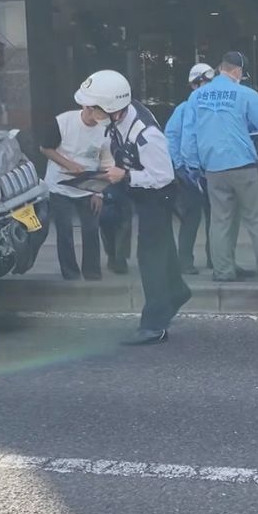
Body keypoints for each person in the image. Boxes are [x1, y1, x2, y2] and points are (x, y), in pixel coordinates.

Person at [77, 69, 189, 346]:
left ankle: (154, 325)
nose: (87, 111)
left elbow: (163, 176)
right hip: (143, 193)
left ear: (111, 107)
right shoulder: (119, 119)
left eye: (92, 107)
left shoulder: (147, 135)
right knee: (162, 251)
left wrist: (125, 176)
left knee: (150, 258)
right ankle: (176, 292)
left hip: (157, 197)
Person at [182, 51, 258, 283]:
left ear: (220, 68)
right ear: (237, 71)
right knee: (256, 219)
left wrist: (192, 164)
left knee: (220, 221)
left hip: (213, 169)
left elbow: (189, 134)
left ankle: (223, 271)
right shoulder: (245, 93)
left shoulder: (197, 97)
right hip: (242, 165)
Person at [40, 105, 113, 281]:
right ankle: (70, 273)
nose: (94, 117)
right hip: (60, 184)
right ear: (85, 107)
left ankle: (92, 273)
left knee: (91, 229)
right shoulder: (63, 121)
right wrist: (68, 165)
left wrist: (99, 193)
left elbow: (106, 163)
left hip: (88, 186)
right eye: (92, 112)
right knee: (64, 231)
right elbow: (45, 148)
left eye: (99, 114)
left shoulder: (105, 130)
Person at [99, 100, 162, 275]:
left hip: (124, 175)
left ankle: (120, 258)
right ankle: (112, 254)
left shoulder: (133, 124)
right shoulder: (97, 124)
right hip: (103, 176)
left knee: (123, 219)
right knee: (106, 220)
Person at [165, 63, 215, 275]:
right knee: (191, 218)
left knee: (217, 219)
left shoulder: (214, 109)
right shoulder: (184, 109)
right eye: (204, 82)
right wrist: (179, 166)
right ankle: (185, 261)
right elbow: (171, 137)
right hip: (190, 172)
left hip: (213, 169)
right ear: (194, 85)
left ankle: (217, 259)